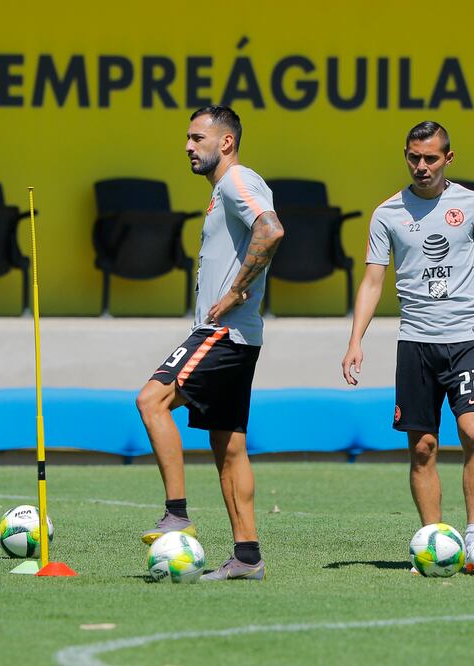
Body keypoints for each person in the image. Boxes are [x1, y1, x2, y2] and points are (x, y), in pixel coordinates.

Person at [341, 120, 474, 574]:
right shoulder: (387, 214)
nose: (422, 167)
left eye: (431, 158)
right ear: (406, 156)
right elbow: (373, 280)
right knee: (422, 447)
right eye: (414, 158)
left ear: (448, 158)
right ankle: (436, 539)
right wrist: (355, 340)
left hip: (464, 339)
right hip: (415, 343)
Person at [136, 105, 284, 581]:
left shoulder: (238, 181)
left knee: (151, 400)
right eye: (187, 137)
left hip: (223, 332)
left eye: (197, 137)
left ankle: (176, 514)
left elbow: (271, 228)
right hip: (239, 336)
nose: (187, 146)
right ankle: (247, 557)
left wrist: (237, 288)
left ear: (225, 142)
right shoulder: (223, 190)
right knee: (229, 447)